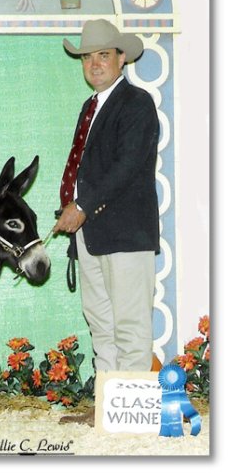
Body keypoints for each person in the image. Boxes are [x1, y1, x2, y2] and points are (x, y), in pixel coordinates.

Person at [53, 19, 160, 380]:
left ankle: (129, 404)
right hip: (91, 233)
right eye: (87, 57)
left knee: (130, 326)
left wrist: (82, 206)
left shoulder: (137, 103)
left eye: (103, 55)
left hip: (125, 233)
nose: (94, 63)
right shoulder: (91, 106)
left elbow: (127, 165)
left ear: (121, 58)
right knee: (101, 326)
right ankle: (108, 404)